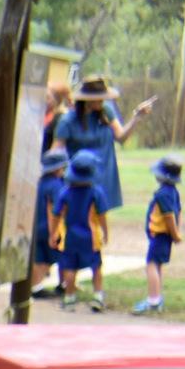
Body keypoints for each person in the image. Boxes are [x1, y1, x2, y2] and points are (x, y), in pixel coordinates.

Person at [56, 74, 159, 216]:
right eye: (100, 97)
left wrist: (137, 116)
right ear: (88, 100)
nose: (103, 100)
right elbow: (56, 151)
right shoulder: (68, 121)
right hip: (79, 179)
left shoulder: (106, 112)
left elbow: (121, 137)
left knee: (98, 219)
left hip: (103, 174)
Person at [56, 148, 111, 311]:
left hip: (70, 237)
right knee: (96, 266)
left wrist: (54, 233)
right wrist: (105, 232)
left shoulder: (65, 192)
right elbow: (101, 215)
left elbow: (57, 214)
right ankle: (98, 296)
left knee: (70, 267)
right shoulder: (96, 192)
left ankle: (69, 297)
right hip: (91, 237)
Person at [135, 156, 185, 316]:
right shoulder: (173, 192)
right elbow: (179, 212)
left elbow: (170, 215)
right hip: (163, 236)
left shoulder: (163, 194)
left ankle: (154, 300)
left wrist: (175, 233)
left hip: (160, 235)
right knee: (157, 266)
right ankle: (156, 296)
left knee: (151, 264)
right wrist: (177, 231)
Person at [29, 147, 69, 301]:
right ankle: (62, 285)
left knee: (39, 258)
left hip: (36, 226)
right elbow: (57, 209)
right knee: (55, 258)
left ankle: (35, 285)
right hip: (50, 227)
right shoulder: (56, 186)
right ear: (58, 168)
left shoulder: (39, 183)